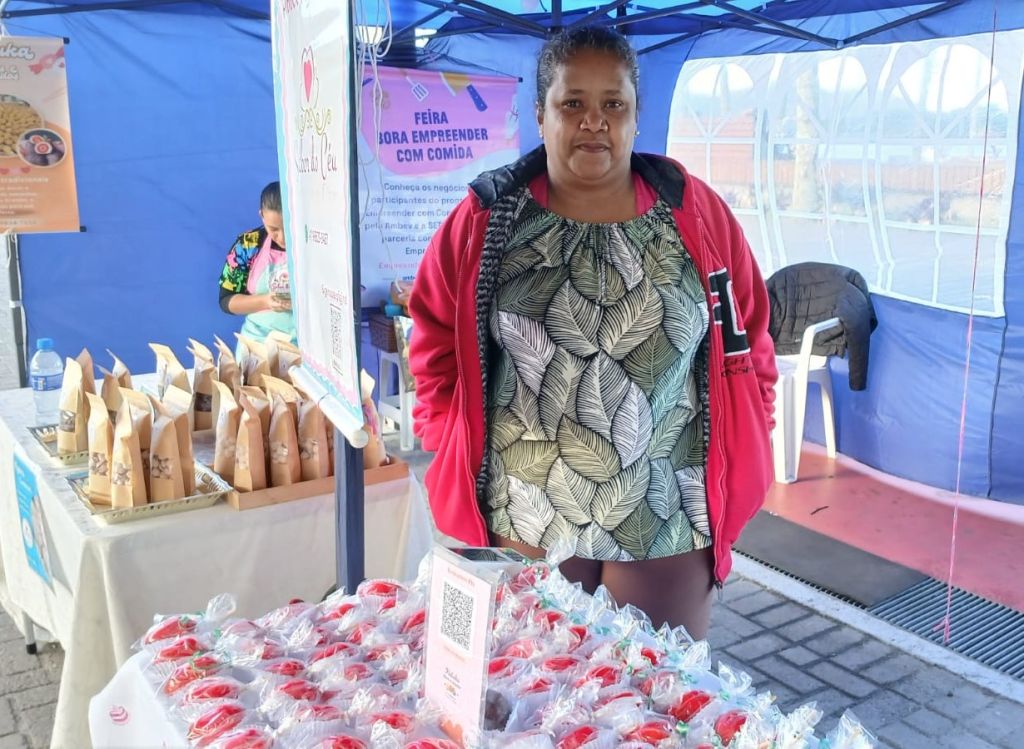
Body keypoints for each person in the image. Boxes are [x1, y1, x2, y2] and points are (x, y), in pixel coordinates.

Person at [408, 26, 777, 639]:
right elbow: (434, 345)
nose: (594, 122)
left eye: (614, 104)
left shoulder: (696, 214)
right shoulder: (486, 220)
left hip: (666, 512)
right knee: (531, 702)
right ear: (541, 114)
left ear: (636, 116)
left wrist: (750, 437)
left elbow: (751, 338)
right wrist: (448, 436)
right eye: (572, 103)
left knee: (653, 708)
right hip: (525, 508)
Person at [218, 181, 295, 350]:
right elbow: (226, 301)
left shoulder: (317, 245)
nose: (282, 238)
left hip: (306, 348)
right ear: (262, 215)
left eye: (289, 228)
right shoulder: (247, 245)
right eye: (273, 229)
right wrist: (266, 301)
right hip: (258, 344)